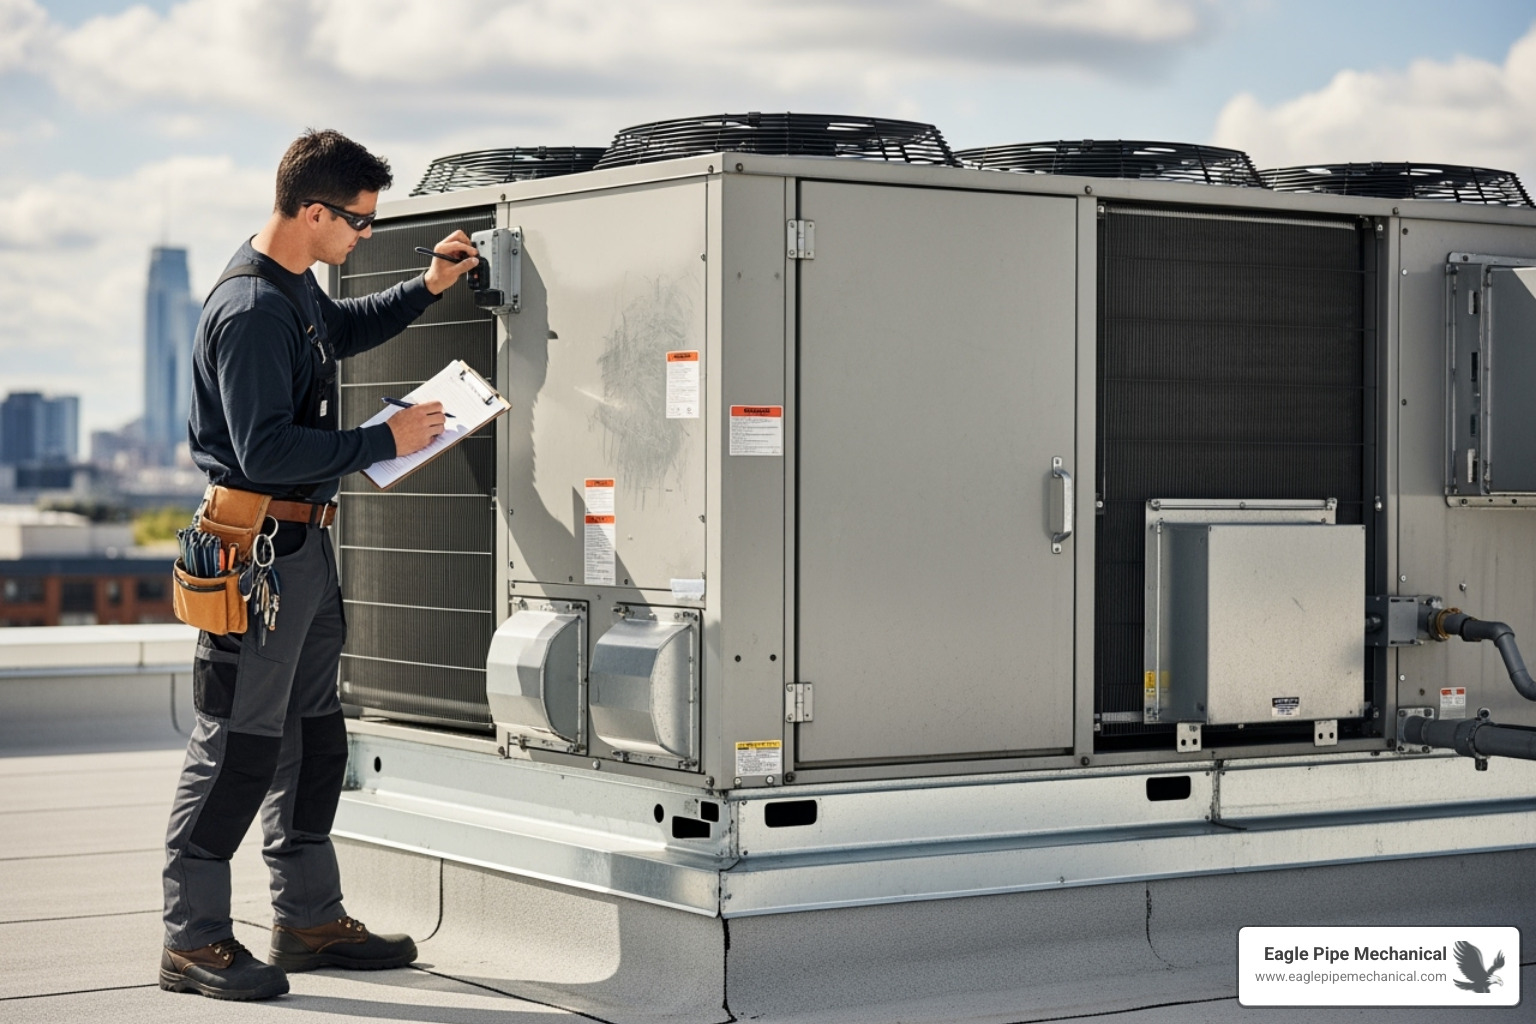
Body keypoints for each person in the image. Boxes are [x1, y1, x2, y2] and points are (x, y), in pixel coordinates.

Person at [160, 129, 477, 1001]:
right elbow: (263, 448)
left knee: (312, 737)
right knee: (237, 746)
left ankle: (307, 919)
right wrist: (384, 438)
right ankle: (193, 940)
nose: (365, 237)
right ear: (311, 211)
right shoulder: (253, 310)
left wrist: (428, 286)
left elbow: (340, 329)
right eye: (360, 224)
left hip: (299, 548)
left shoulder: (294, 287)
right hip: (255, 552)